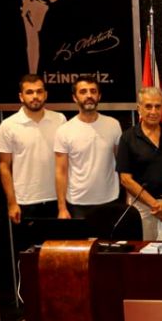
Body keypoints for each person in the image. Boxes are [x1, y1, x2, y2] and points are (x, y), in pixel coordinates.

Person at [0, 74, 66, 248]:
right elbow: (4, 166)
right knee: (29, 259)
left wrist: (63, 203)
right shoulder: (8, 126)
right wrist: (12, 203)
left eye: (39, 91)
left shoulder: (60, 120)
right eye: (29, 92)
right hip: (26, 203)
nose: (35, 96)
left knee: (58, 258)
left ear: (45, 94)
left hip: (57, 200)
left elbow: (66, 162)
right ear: (21, 96)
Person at [116, 87, 162, 240]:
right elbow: (125, 179)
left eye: (158, 106)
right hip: (144, 208)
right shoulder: (128, 138)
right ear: (139, 108)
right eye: (148, 106)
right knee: (146, 255)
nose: (153, 111)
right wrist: (155, 205)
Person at [54, 77, 121, 219]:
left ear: (99, 96)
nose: (89, 95)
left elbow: (122, 164)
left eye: (93, 91)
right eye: (83, 92)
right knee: (82, 242)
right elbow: (61, 171)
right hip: (78, 204)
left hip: (111, 200)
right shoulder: (64, 130)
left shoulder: (113, 125)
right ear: (74, 97)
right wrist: (61, 208)